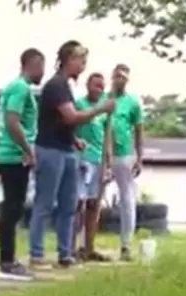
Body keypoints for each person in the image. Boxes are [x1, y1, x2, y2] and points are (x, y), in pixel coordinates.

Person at [28, 41, 115, 269]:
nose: (83, 66)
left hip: (67, 150)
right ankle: (36, 254)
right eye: (81, 61)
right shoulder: (56, 85)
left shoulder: (65, 87)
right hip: (50, 150)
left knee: (69, 205)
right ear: (69, 59)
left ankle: (65, 253)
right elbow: (70, 117)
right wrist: (101, 109)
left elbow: (61, 122)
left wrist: (74, 139)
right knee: (45, 203)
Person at [0, 48, 45, 281]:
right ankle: (6, 262)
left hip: (11, 155)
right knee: (12, 209)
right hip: (14, 157)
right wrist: (28, 150)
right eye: (41, 66)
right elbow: (12, 121)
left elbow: (2, 123)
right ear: (31, 64)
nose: (42, 72)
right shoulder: (20, 88)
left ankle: (8, 259)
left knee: (12, 208)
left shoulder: (15, 88)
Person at [73, 73, 112, 262]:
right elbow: (72, 126)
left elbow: (107, 135)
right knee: (77, 204)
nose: (99, 89)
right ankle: (71, 247)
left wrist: (109, 161)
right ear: (88, 85)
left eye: (102, 87)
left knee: (94, 205)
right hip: (81, 159)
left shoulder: (106, 110)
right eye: (96, 85)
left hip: (98, 160)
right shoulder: (80, 105)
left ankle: (89, 248)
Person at [108, 64, 144, 261]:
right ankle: (84, 244)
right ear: (112, 78)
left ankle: (126, 245)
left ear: (127, 80)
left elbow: (139, 132)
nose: (119, 80)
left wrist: (139, 158)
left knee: (127, 199)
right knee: (89, 200)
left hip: (124, 155)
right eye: (117, 76)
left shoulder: (132, 103)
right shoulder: (104, 100)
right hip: (100, 153)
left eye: (123, 77)